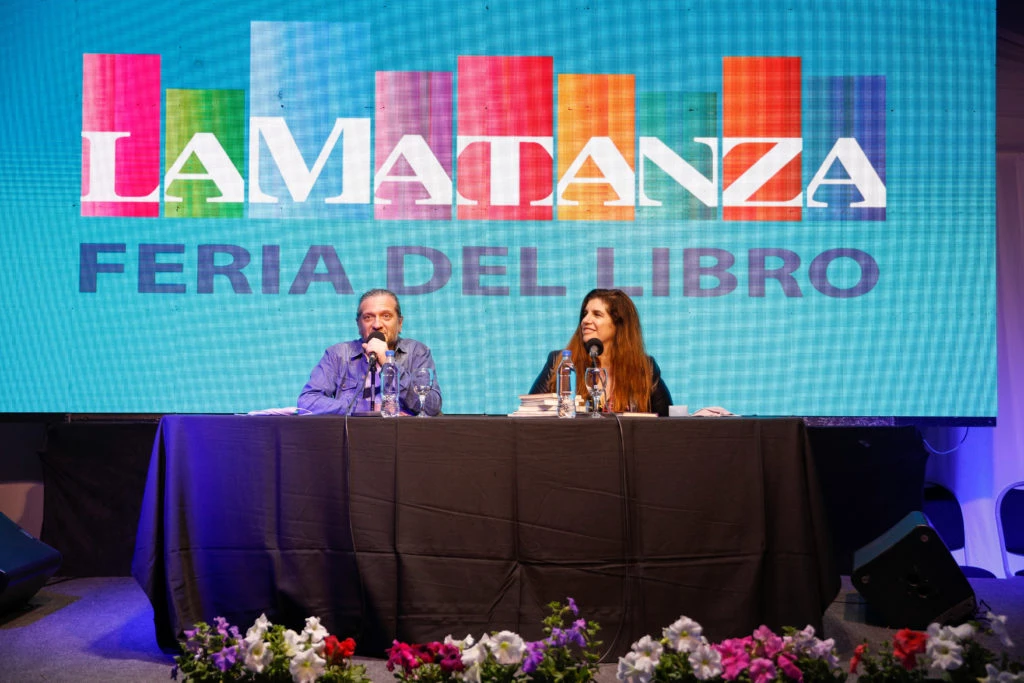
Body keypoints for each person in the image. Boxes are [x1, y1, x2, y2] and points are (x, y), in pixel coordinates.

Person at [529, 288, 672, 416]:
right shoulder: (559, 361)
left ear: (618, 325)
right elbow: (529, 415)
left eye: (597, 314)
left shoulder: (645, 368)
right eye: (585, 314)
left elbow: (668, 423)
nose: (585, 320)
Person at [298, 288, 442, 415]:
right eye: (368, 317)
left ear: (399, 323)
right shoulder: (338, 354)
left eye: (386, 316)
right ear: (359, 325)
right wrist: (363, 410)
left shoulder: (417, 352)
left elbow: (431, 406)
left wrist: (388, 363)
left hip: (403, 435)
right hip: (354, 434)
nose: (377, 325)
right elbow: (307, 401)